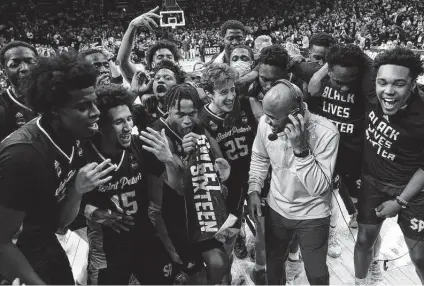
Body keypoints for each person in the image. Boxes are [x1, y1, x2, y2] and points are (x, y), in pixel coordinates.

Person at [0, 54, 114, 284]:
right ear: (54, 111)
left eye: (94, 102)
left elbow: (61, 223)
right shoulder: (22, 156)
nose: (95, 112)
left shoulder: (74, 135)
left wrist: (78, 191)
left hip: (45, 241)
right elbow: (2, 240)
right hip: (16, 256)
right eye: (83, 106)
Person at [247, 79, 340, 285]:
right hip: (277, 208)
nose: (267, 122)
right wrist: (254, 187)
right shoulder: (265, 123)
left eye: (273, 117)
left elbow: (318, 188)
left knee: (316, 274)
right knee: (274, 264)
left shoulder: (327, 132)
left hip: (313, 214)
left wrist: (301, 150)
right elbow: (260, 157)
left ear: (295, 115)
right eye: (266, 115)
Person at [82, 84, 174, 285]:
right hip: (108, 245)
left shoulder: (139, 145)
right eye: (118, 122)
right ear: (101, 125)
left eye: (129, 119)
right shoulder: (83, 153)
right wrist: (92, 211)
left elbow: (173, 187)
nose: (127, 127)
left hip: (144, 236)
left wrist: (169, 159)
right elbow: (61, 202)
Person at [140, 83, 231, 285]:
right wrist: (177, 159)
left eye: (193, 113)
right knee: (194, 275)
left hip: (198, 208)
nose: (188, 120)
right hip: (169, 216)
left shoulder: (195, 125)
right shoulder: (155, 137)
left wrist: (217, 166)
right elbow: (175, 191)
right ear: (166, 110)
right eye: (180, 114)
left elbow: (218, 160)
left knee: (219, 262)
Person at [354, 47, 424, 285]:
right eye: (382, 82)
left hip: (413, 191)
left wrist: (400, 201)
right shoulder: (370, 91)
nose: (389, 91)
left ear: (413, 84)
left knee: (420, 256)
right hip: (373, 181)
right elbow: (352, 55)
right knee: (364, 240)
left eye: (399, 84)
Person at [308, 44, 369, 258]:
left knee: (354, 198)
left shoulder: (366, 84)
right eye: (337, 81)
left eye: (349, 82)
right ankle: (330, 234)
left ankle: (350, 221)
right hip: (325, 152)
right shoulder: (317, 76)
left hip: (354, 155)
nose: (343, 88)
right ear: (329, 69)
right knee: (327, 197)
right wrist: (319, 73)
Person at [199, 63, 258, 284]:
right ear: (208, 94)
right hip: (227, 191)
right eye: (224, 92)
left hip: (253, 180)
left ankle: (253, 263)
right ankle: (227, 276)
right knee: (226, 238)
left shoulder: (245, 105)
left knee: (256, 227)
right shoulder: (202, 121)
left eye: (232, 90)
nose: (231, 96)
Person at [117, 7, 180, 83]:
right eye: (160, 57)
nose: (165, 59)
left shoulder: (185, 82)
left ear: (175, 62)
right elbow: (122, 62)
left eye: (169, 57)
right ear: (152, 64)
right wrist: (132, 25)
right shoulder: (145, 82)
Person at [0, 41, 39, 141]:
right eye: (14, 64)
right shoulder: (3, 106)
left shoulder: (55, 98)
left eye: (30, 61)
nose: (24, 68)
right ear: (4, 73)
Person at [131, 60, 185, 129]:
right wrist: (133, 92)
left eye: (167, 78)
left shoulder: (188, 112)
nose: (160, 81)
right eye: (157, 78)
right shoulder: (142, 111)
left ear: (178, 85)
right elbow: (115, 122)